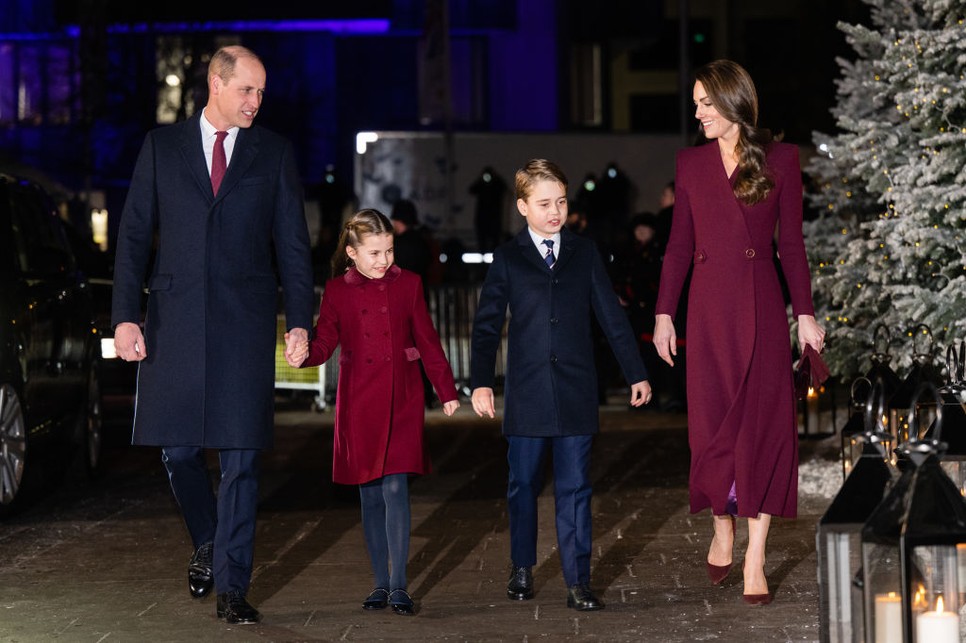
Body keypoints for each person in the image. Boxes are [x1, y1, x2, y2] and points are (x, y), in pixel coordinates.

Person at [111, 45, 314, 625]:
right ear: (216, 85)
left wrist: (299, 319)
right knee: (177, 450)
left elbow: (293, 247)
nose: (256, 102)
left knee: (242, 459)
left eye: (261, 93)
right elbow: (132, 237)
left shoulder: (273, 154)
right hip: (173, 320)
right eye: (248, 90)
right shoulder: (161, 147)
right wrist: (125, 315)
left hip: (244, 324)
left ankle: (232, 586)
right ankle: (208, 538)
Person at [652, 59, 825, 606]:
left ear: (733, 104)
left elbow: (791, 246)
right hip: (706, 314)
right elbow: (679, 244)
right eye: (696, 102)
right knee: (711, 431)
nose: (697, 111)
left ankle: (755, 556)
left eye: (706, 102)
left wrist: (806, 315)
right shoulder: (691, 163)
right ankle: (722, 522)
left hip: (762, 309)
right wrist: (663, 314)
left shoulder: (781, 160)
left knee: (765, 431)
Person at [470, 158, 652, 612]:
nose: (555, 212)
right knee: (523, 484)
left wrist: (636, 371)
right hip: (528, 394)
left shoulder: (584, 253)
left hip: (575, 390)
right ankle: (521, 565)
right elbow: (487, 326)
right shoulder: (508, 259)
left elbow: (611, 316)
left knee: (575, 488)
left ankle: (578, 580)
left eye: (562, 202)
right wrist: (480, 383)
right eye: (545, 203)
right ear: (523, 207)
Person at [288, 209, 460, 616]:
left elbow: (428, 339)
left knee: (396, 487)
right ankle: (379, 584)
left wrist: (446, 389)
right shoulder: (337, 291)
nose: (384, 260)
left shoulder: (410, 284)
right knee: (369, 493)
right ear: (352, 253)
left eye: (389, 250)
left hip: (402, 397)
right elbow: (326, 339)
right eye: (375, 253)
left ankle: (399, 585)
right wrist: (304, 355)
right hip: (359, 402)